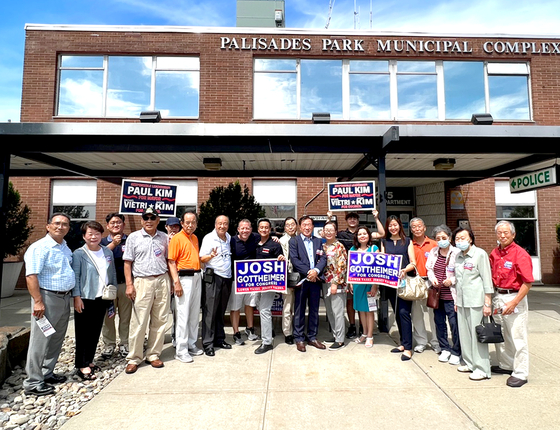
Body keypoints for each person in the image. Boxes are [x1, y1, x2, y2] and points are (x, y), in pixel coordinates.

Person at [22, 213, 75, 396]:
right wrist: (38, 301)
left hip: (64, 298)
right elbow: (31, 276)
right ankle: (33, 382)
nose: (61, 227)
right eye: (57, 223)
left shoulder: (64, 247)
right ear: (48, 226)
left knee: (56, 338)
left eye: (65, 224)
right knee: (40, 340)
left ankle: (47, 373)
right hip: (46, 298)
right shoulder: (39, 248)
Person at [123, 207, 170, 374]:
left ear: (158, 220)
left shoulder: (164, 238)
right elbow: (127, 263)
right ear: (142, 220)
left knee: (160, 319)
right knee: (139, 321)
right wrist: (129, 285)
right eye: (146, 218)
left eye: (152, 218)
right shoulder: (134, 238)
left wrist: (171, 282)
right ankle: (134, 358)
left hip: (162, 279)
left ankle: (153, 354)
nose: (149, 220)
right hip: (142, 281)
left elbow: (169, 260)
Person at [327, 210, 385, 339]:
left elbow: (382, 233)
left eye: (355, 218)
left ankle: (367, 332)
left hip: (368, 278)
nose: (352, 220)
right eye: (350, 218)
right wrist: (329, 219)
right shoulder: (343, 234)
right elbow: (328, 233)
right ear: (346, 220)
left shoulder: (365, 235)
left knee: (367, 307)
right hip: (350, 274)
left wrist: (376, 217)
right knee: (351, 301)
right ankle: (353, 326)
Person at [71, 221, 118, 380]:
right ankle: (81, 364)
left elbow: (111, 274)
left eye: (97, 234)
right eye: (90, 234)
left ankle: (89, 360)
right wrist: (76, 297)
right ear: (84, 236)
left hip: (102, 297)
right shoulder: (79, 254)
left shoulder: (107, 251)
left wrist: (113, 294)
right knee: (83, 332)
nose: (93, 237)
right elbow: (75, 277)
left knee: (95, 330)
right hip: (85, 298)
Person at [490, 220, 533, 388]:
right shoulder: (494, 253)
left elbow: (527, 283)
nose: (502, 235)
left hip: (514, 297)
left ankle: (521, 373)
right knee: (502, 335)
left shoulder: (520, 254)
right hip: (498, 296)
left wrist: (514, 303)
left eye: (506, 233)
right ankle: (507, 365)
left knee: (517, 337)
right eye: (499, 233)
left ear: (513, 234)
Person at [453, 227, 493, 381]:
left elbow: (486, 279)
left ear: (470, 239)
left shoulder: (480, 254)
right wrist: (457, 300)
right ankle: (470, 363)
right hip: (462, 301)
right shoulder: (458, 257)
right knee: (465, 335)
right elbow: (458, 281)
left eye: (463, 238)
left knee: (478, 336)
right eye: (457, 239)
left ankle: (482, 369)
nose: (460, 241)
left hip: (477, 301)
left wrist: (487, 303)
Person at [168, 212, 204, 363]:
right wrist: (176, 282)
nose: (190, 225)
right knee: (183, 315)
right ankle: (181, 350)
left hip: (196, 276)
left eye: (193, 222)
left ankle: (191, 343)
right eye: (187, 222)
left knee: (194, 313)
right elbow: (171, 262)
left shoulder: (195, 238)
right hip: (183, 278)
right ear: (182, 223)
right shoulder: (177, 238)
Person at [289, 216, 328, 352]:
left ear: (312, 227)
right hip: (302, 281)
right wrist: (309, 273)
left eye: (309, 225)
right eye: (304, 225)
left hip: (315, 281)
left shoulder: (318, 241)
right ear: (300, 227)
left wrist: (316, 271)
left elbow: (323, 257)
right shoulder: (294, 241)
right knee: (299, 310)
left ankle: (312, 337)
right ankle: (299, 338)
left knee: (314, 310)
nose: (307, 227)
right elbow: (294, 259)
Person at [381, 216, 416, 361]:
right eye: (390, 226)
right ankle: (403, 342)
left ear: (400, 226)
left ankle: (408, 348)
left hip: (403, 282)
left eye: (395, 225)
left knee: (403, 313)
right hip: (390, 283)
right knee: (396, 311)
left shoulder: (407, 241)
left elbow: (413, 263)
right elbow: (382, 261)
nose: (393, 228)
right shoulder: (384, 242)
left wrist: (404, 270)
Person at [426, 225, 461, 365]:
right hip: (437, 295)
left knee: (454, 324)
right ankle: (444, 348)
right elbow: (429, 269)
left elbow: (462, 272)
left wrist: (451, 280)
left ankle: (456, 351)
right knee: (439, 323)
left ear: (450, 238)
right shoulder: (434, 251)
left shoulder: (457, 252)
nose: (441, 240)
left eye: (444, 238)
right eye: (438, 238)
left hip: (452, 295)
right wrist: (432, 278)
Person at [199, 215, 233, 356]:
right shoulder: (208, 238)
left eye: (225, 224)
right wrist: (211, 256)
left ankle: (219, 339)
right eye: (220, 223)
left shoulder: (229, 237)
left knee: (220, 311)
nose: (222, 226)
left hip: (226, 278)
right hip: (213, 277)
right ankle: (208, 343)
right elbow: (201, 258)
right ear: (215, 224)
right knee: (210, 311)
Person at [100, 212, 131, 360]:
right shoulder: (101, 242)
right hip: (108, 286)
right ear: (107, 226)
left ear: (123, 225)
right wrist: (114, 244)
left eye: (119, 222)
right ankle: (109, 344)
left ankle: (124, 343)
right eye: (112, 223)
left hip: (125, 284)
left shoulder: (130, 240)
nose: (116, 225)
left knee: (125, 316)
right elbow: (100, 258)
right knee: (108, 317)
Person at [253, 218, 285, 354]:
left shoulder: (275, 244)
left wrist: (281, 259)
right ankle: (268, 330)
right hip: (255, 283)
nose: (264, 229)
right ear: (258, 229)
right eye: (261, 227)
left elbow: (281, 260)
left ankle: (266, 342)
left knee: (265, 310)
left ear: (270, 228)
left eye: (266, 227)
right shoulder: (254, 242)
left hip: (269, 283)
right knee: (261, 309)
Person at [410, 217, 441, 354]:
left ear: (424, 228)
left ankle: (436, 341)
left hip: (431, 282)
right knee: (417, 314)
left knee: (433, 313)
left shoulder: (434, 244)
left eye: (419, 226)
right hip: (416, 282)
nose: (417, 229)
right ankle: (421, 341)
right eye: (414, 227)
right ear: (411, 230)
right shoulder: (409, 245)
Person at [229, 219, 260, 345]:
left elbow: (267, 238)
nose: (245, 230)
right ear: (238, 229)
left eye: (247, 228)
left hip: (251, 279)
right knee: (235, 307)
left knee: (249, 305)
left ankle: (250, 328)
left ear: (251, 229)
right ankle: (236, 332)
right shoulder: (231, 240)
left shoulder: (255, 237)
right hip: (236, 279)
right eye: (242, 228)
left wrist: (276, 238)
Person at [349, 226, 379, 348]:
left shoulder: (374, 248)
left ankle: (370, 336)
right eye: (359, 234)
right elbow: (350, 267)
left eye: (364, 233)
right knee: (361, 309)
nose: (362, 236)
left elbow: (378, 269)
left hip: (369, 285)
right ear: (356, 237)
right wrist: (350, 282)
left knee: (369, 311)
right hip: (357, 285)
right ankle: (364, 333)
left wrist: (374, 285)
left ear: (368, 236)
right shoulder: (353, 249)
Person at [322, 221, 348, 351]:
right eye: (326, 230)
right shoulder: (322, 246)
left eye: (331, 230)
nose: (328, 232)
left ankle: (340, 340)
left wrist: (335, 283)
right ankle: (335, 334)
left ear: (335, 232)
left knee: (338, 312)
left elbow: (342, 267)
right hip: (324, 282)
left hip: (336, 284)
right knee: (330, 311)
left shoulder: (339, 247)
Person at [278, 216, 298, 345]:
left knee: (299, 306)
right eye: (288, 225)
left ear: (297, 226)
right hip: (286, 276)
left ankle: (298, 330)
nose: (290, 227)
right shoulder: (280, 241)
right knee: (287, 307)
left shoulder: (300, 239)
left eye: (293, 224)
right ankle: (288, 332)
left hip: (300, 276)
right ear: (285, 228)